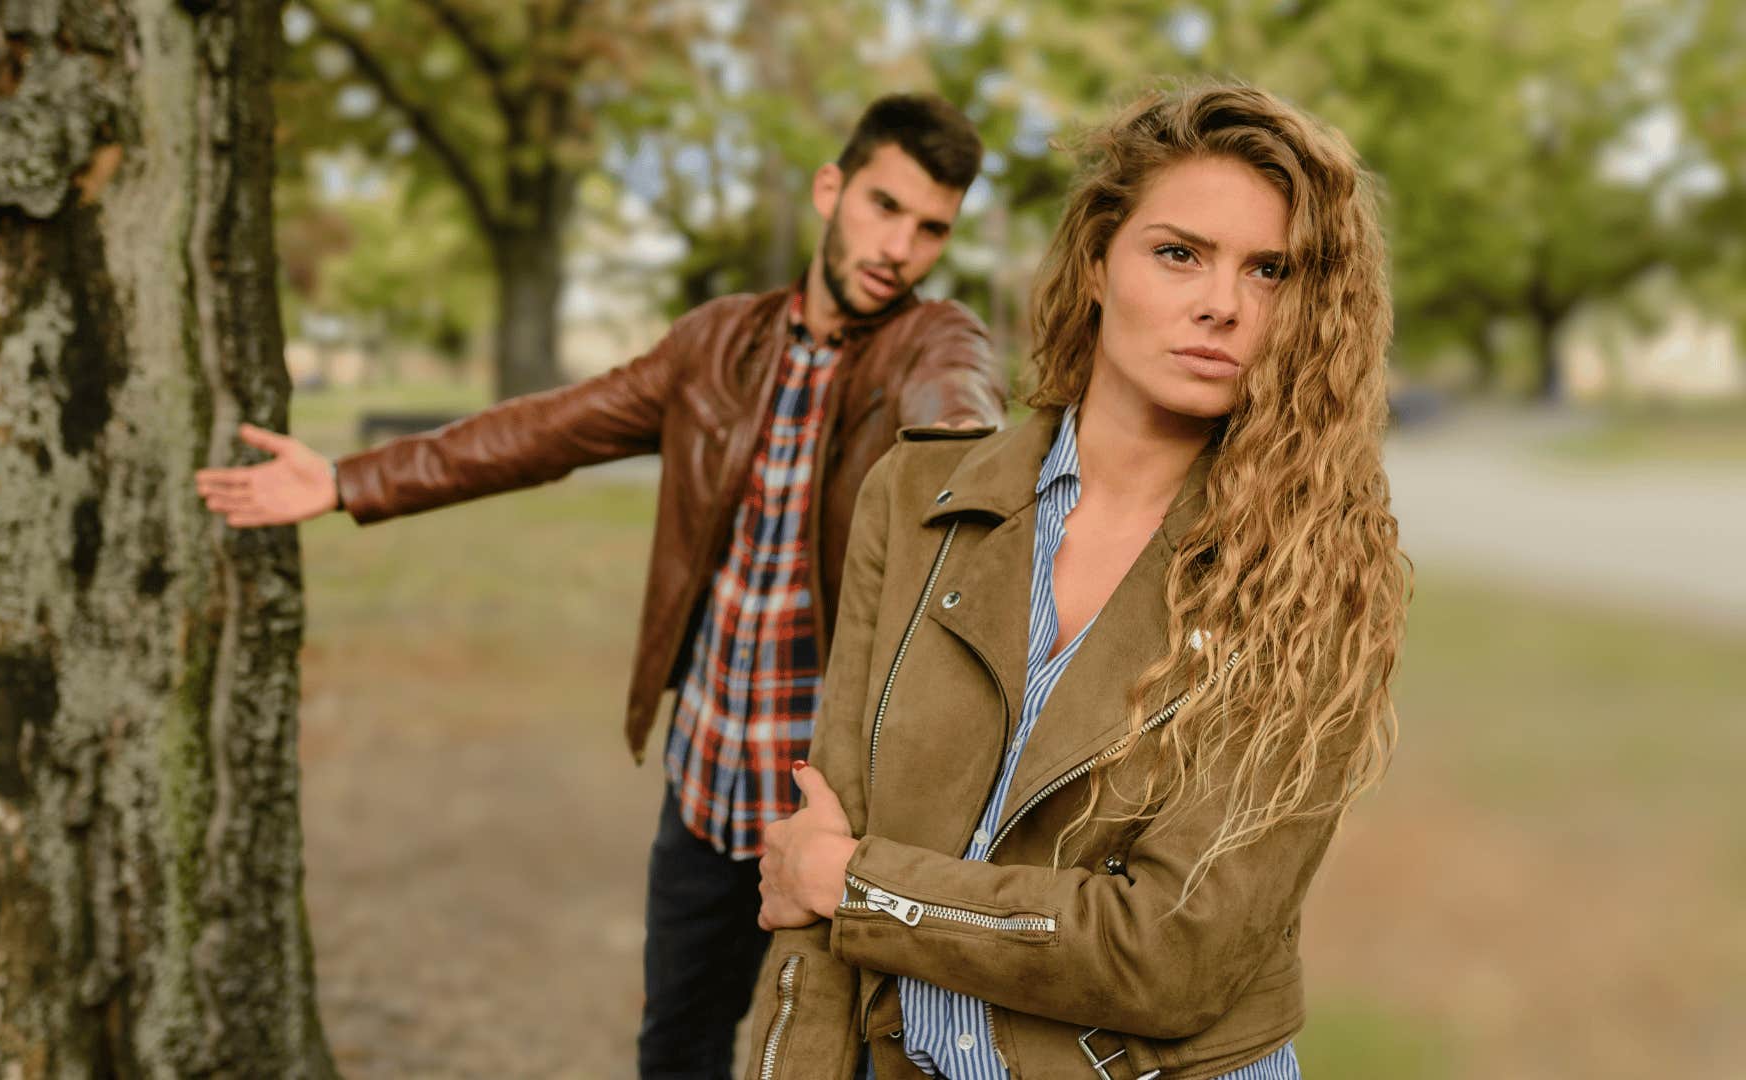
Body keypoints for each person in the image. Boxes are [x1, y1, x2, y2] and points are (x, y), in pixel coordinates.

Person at [194, 94, 1005, 1078]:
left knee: (858, 1061)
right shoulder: (714, 343)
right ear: (831, 189)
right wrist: (346, 481)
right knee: (677, 1048)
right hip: (707, 791)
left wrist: (966, 462)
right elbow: (547, 431)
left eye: (931, 230)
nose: (900, 248)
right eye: (885, 207)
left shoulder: (933, 344)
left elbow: (957, 426)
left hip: (841, 817)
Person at [746, 83, 1410, 1079]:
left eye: (1270, 270)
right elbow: (813, 868)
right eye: (1178, 253)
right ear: (1098, 262)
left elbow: (1166, 954)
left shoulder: (1324, 575)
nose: (1222, 305)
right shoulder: (915, 497)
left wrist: (863, 889)